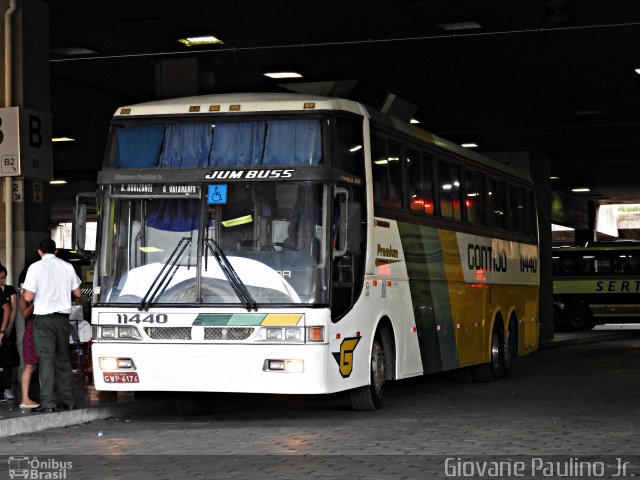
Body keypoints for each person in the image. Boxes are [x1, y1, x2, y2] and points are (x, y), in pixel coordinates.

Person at [18, 239, 82, 413]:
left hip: (44, 320)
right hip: (62, 319)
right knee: (63, 359)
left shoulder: (36, 268)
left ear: (40, 252)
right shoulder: (67, 267)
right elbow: (77, 292)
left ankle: (48, 403)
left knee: (46, 360)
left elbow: (28, 297)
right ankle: (68, 401)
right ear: (56, 251)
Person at [0, 266, 18, 401]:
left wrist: (8, 329)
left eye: (3, 277)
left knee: (8, 360)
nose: (1, 280)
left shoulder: (10, 289)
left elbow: (13, 308)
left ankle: (7, 388)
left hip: (8, 329)